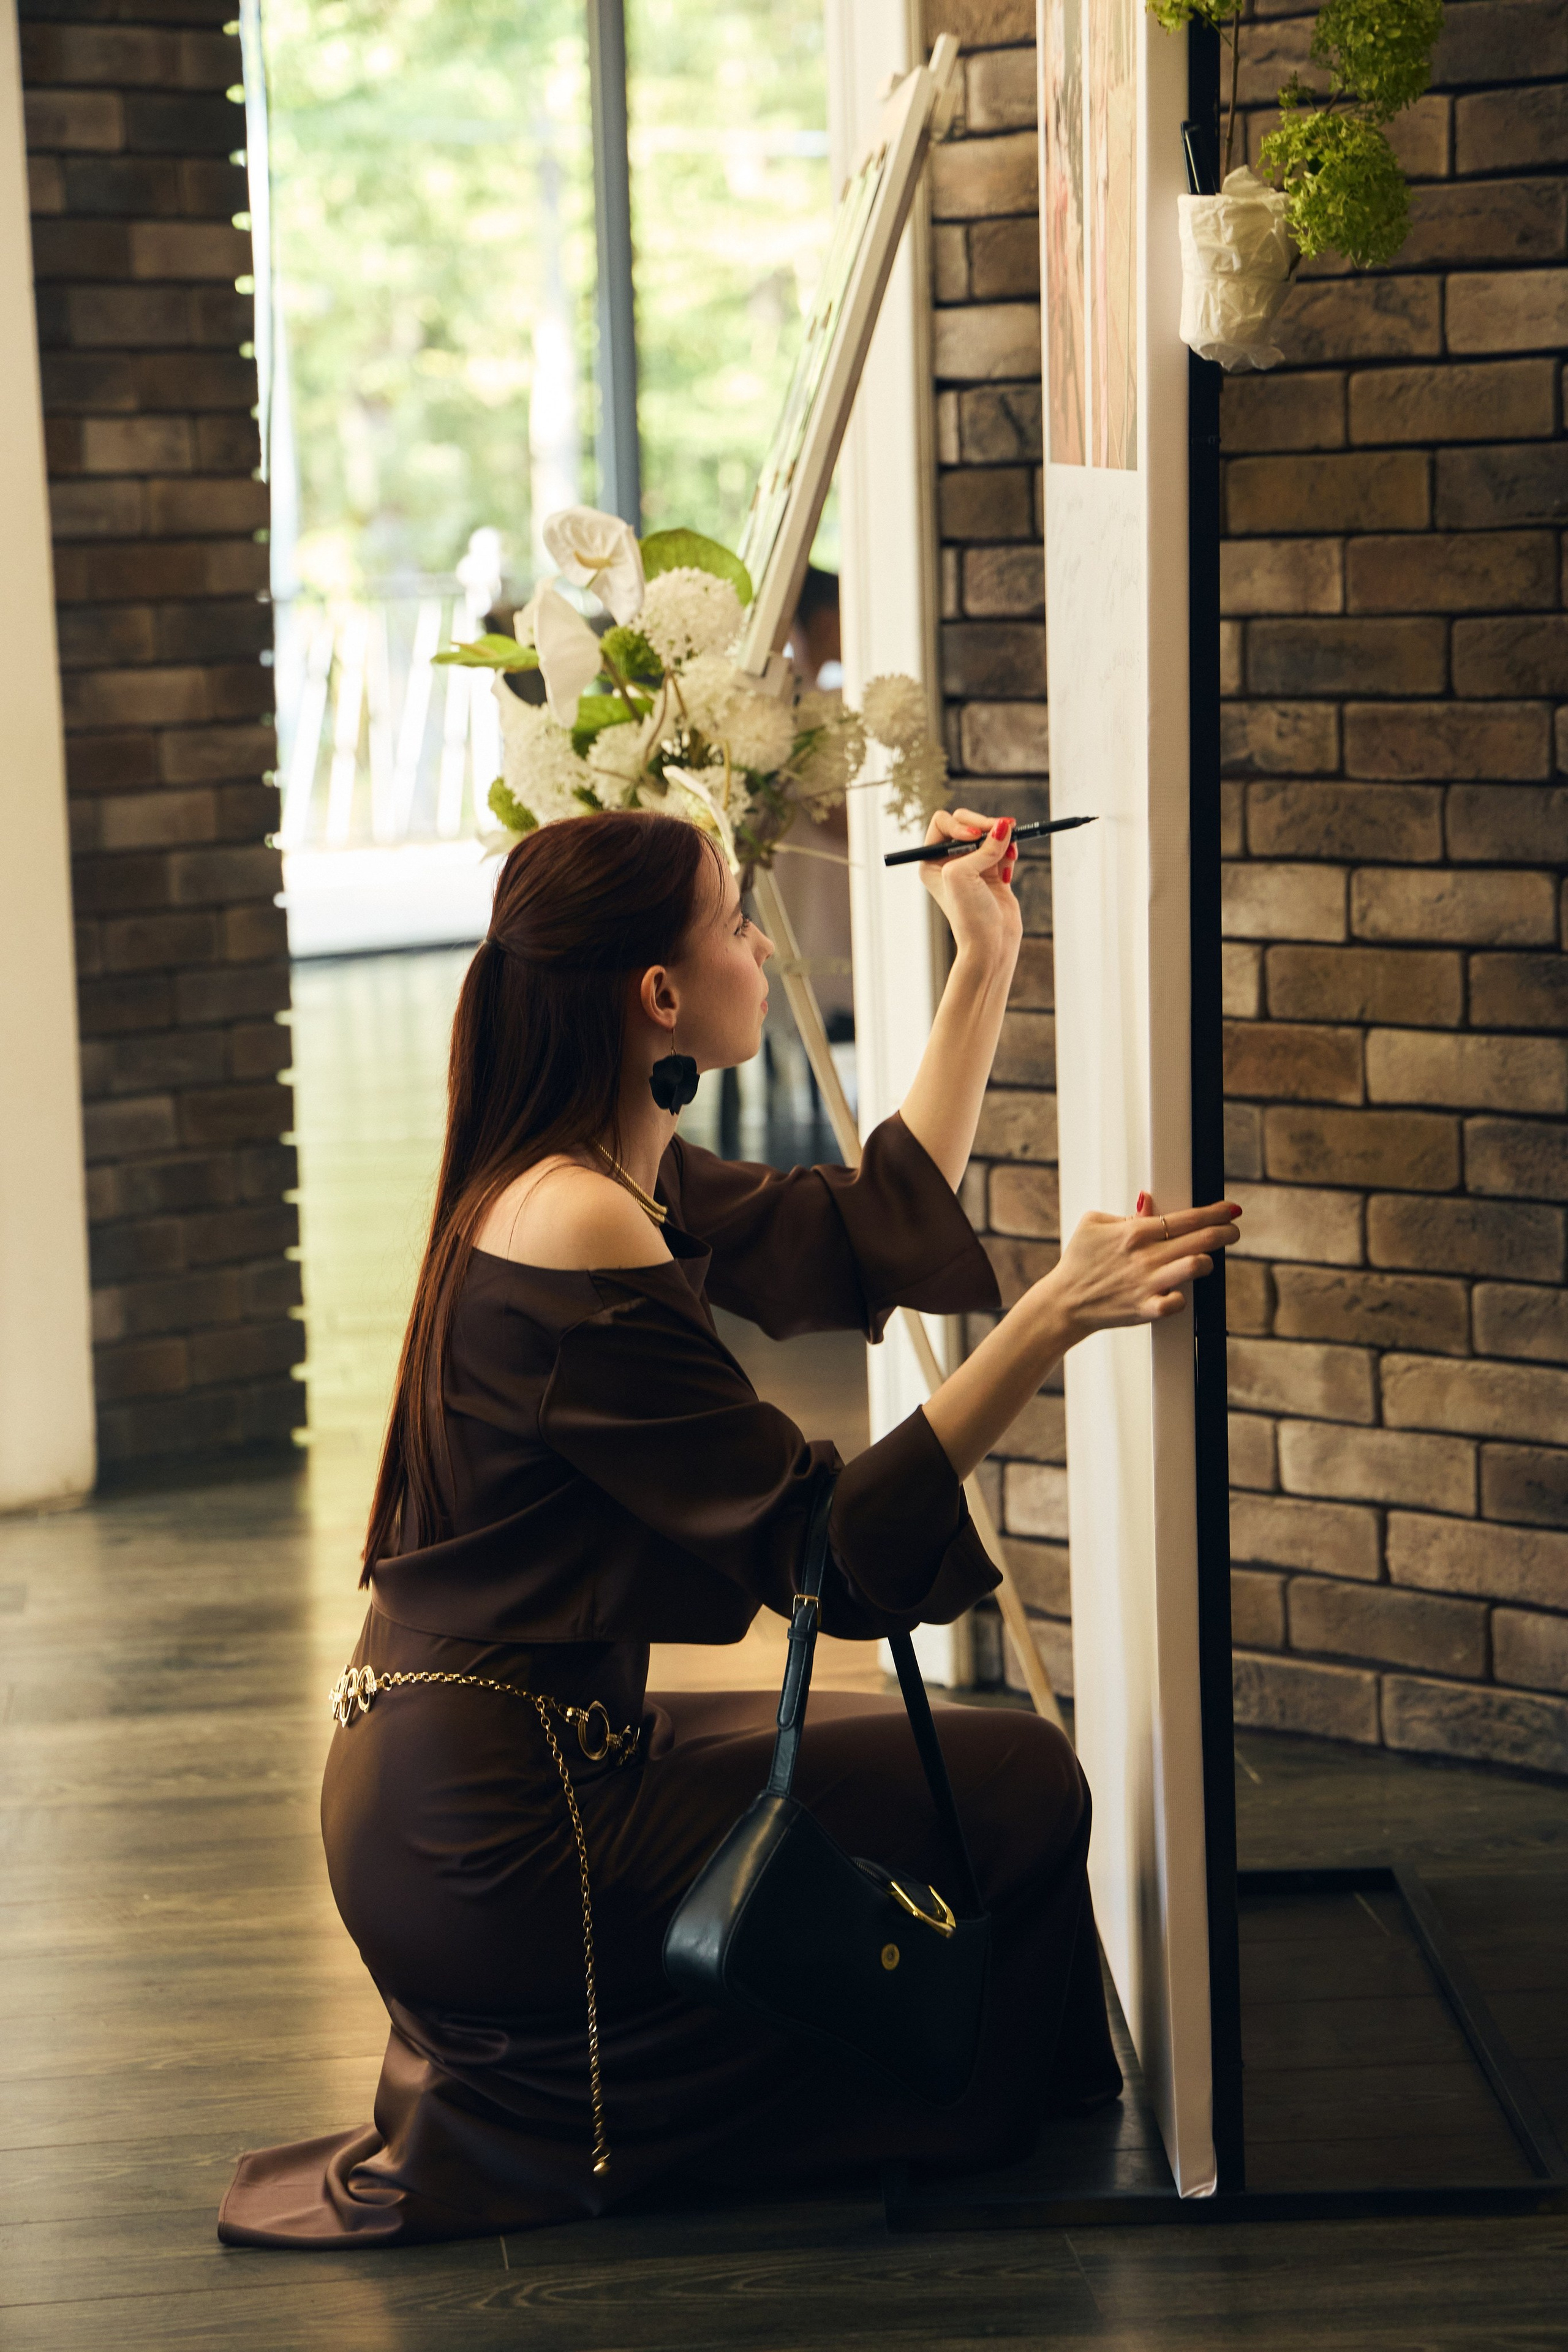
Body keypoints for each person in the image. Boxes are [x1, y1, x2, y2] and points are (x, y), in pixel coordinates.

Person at [219, 806, 1240, 2248]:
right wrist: (1049, 1318)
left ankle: (994, 2100)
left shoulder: (593, 1168)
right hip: (501, 1835)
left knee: (970, 1765)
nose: (760, 946)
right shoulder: (575, 1223)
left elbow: (852, 1230)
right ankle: (1007, 2139)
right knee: (1013, 1776)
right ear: (660, 996)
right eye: (735, 922)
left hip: (488, 1766)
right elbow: (820, 1546)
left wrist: (984, 956)